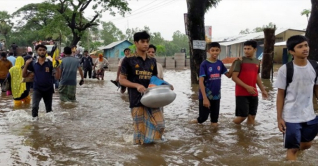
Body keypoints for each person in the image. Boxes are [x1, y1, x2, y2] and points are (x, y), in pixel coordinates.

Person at [119, 31, 173, 144]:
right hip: (136, 99)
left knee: (160, 125)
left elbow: (154, 78)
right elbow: (122, 79)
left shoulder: (152, 61)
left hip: (152, 98)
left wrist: (165, 84)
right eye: (142, 42)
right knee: (140, 132)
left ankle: (153, 145)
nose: (146, 44)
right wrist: (137, 85)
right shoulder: (128, 60)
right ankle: (141, 155)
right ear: (135, 43)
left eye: (147, 42)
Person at [274, 35, 318, 161]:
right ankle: (291, 155)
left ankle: (291, 149)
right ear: (292, 52)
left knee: (307, 144)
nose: (305, 49)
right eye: (300, 47)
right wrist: (279, 118)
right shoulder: (285, 69)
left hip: (309, 114)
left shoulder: (315, 67)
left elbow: (316, 90)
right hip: (291, 116)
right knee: (293, 149)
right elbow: (280, 94)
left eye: (306, 45)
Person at [190, 42, 235, 127]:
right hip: (205, 96)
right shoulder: (204, 64)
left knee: (214, 122)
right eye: (212, 50)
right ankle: (194, 123)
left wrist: (234, 64)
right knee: (203, 118)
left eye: (217, 50)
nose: (215, 52)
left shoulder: (220, 63)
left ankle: (213, 138)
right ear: (208, 51)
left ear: (220, 51)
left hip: (216, 96)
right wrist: (205, 98)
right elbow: (201, 81)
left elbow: (229, 75)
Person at [231, 40, 268, 125]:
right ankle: (230, 128)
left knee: (252, 117)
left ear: (255, 49)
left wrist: (263, 90)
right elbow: (234, 77)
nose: (246, 51)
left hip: (253, 93)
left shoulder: (257, 62)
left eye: (249, 48)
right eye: (245, 48)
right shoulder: (239, 61)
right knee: (242, 116)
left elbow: (257, 77)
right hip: (241, 93)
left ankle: (249, 136)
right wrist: (247, 87)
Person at [23, 44, 56, 120]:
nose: (42, 52)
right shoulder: (33, 63)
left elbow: (56, 76)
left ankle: (50, 126)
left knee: (49, 109)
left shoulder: (50, 63)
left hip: (48, 89)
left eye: (43, 50)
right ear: (37, 51)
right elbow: (24, 75)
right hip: (37, 89)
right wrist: (26, 64)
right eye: (40, 50)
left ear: (46, 52)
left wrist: (57, 68)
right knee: (34, 107)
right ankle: (35, 125)